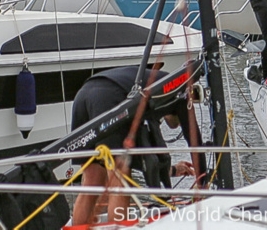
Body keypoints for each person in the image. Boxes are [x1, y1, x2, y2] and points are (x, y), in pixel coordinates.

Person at [70, 66, 201, 226]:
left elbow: (148, 152)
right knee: (120, 177)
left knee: (92, 180)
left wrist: (172, 170)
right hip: (110, 97)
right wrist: (203, 181)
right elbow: (194, 139)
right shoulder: (180, 90)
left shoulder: (156, 91)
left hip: (84, 94)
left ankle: (78, 227)